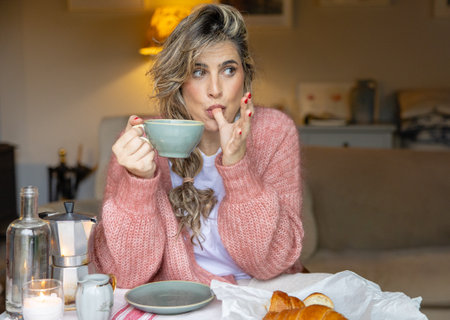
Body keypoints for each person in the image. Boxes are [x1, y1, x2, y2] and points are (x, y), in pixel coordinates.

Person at [90, 3, 305, 289]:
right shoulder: (141, 142)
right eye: (199, 71)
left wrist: (239, 169)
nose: (215, 89)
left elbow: (267, 264)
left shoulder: (274, 132)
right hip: (179, 300)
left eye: (228, 70)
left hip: (260, 295)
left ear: (245, 78)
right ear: (179, 82)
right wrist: (137, 184)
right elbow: (126, 274)